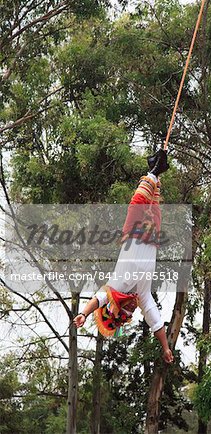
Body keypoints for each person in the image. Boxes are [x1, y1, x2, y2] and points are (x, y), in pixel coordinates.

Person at [73, 149, 174, 364]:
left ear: (114, 309)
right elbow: (155, 322)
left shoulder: (114, 290)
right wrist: (165, 348)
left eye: (125, 313)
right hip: (153, 236)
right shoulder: (142, 296)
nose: (131, 311)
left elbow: (97, 299)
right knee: (154, 205)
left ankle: (154, 170)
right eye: (130, 314)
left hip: (133, 232)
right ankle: (155, 170)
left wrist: (84, 314)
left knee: (138, 201)